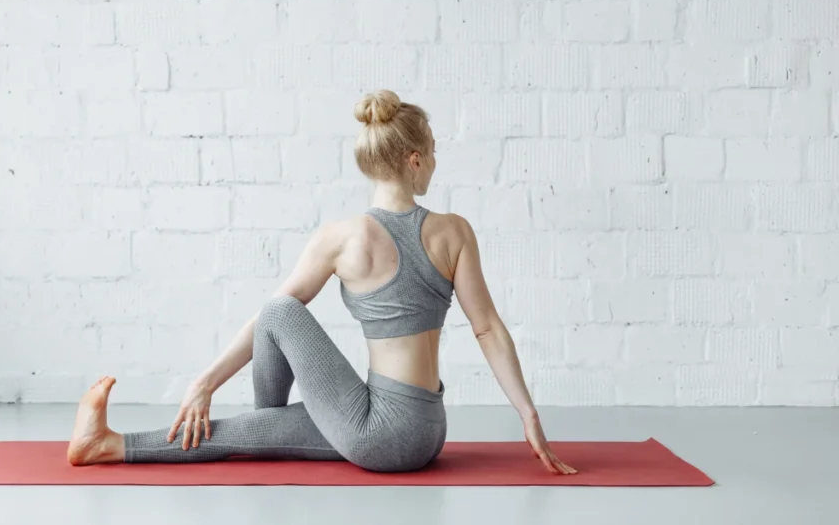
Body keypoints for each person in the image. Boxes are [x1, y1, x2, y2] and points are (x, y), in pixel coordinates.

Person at [65, 89, 577, 475]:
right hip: (426, 430)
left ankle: (245, 427)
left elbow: (271, 321)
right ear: (415, 160)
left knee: (279, 309)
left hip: (378, 434)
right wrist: (528, 413)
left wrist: (205, 383)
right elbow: (488, 329)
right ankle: (107, 445)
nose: (435, 165)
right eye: (435, 153)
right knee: (276, 328)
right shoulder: (453, 231)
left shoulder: (341, 239)